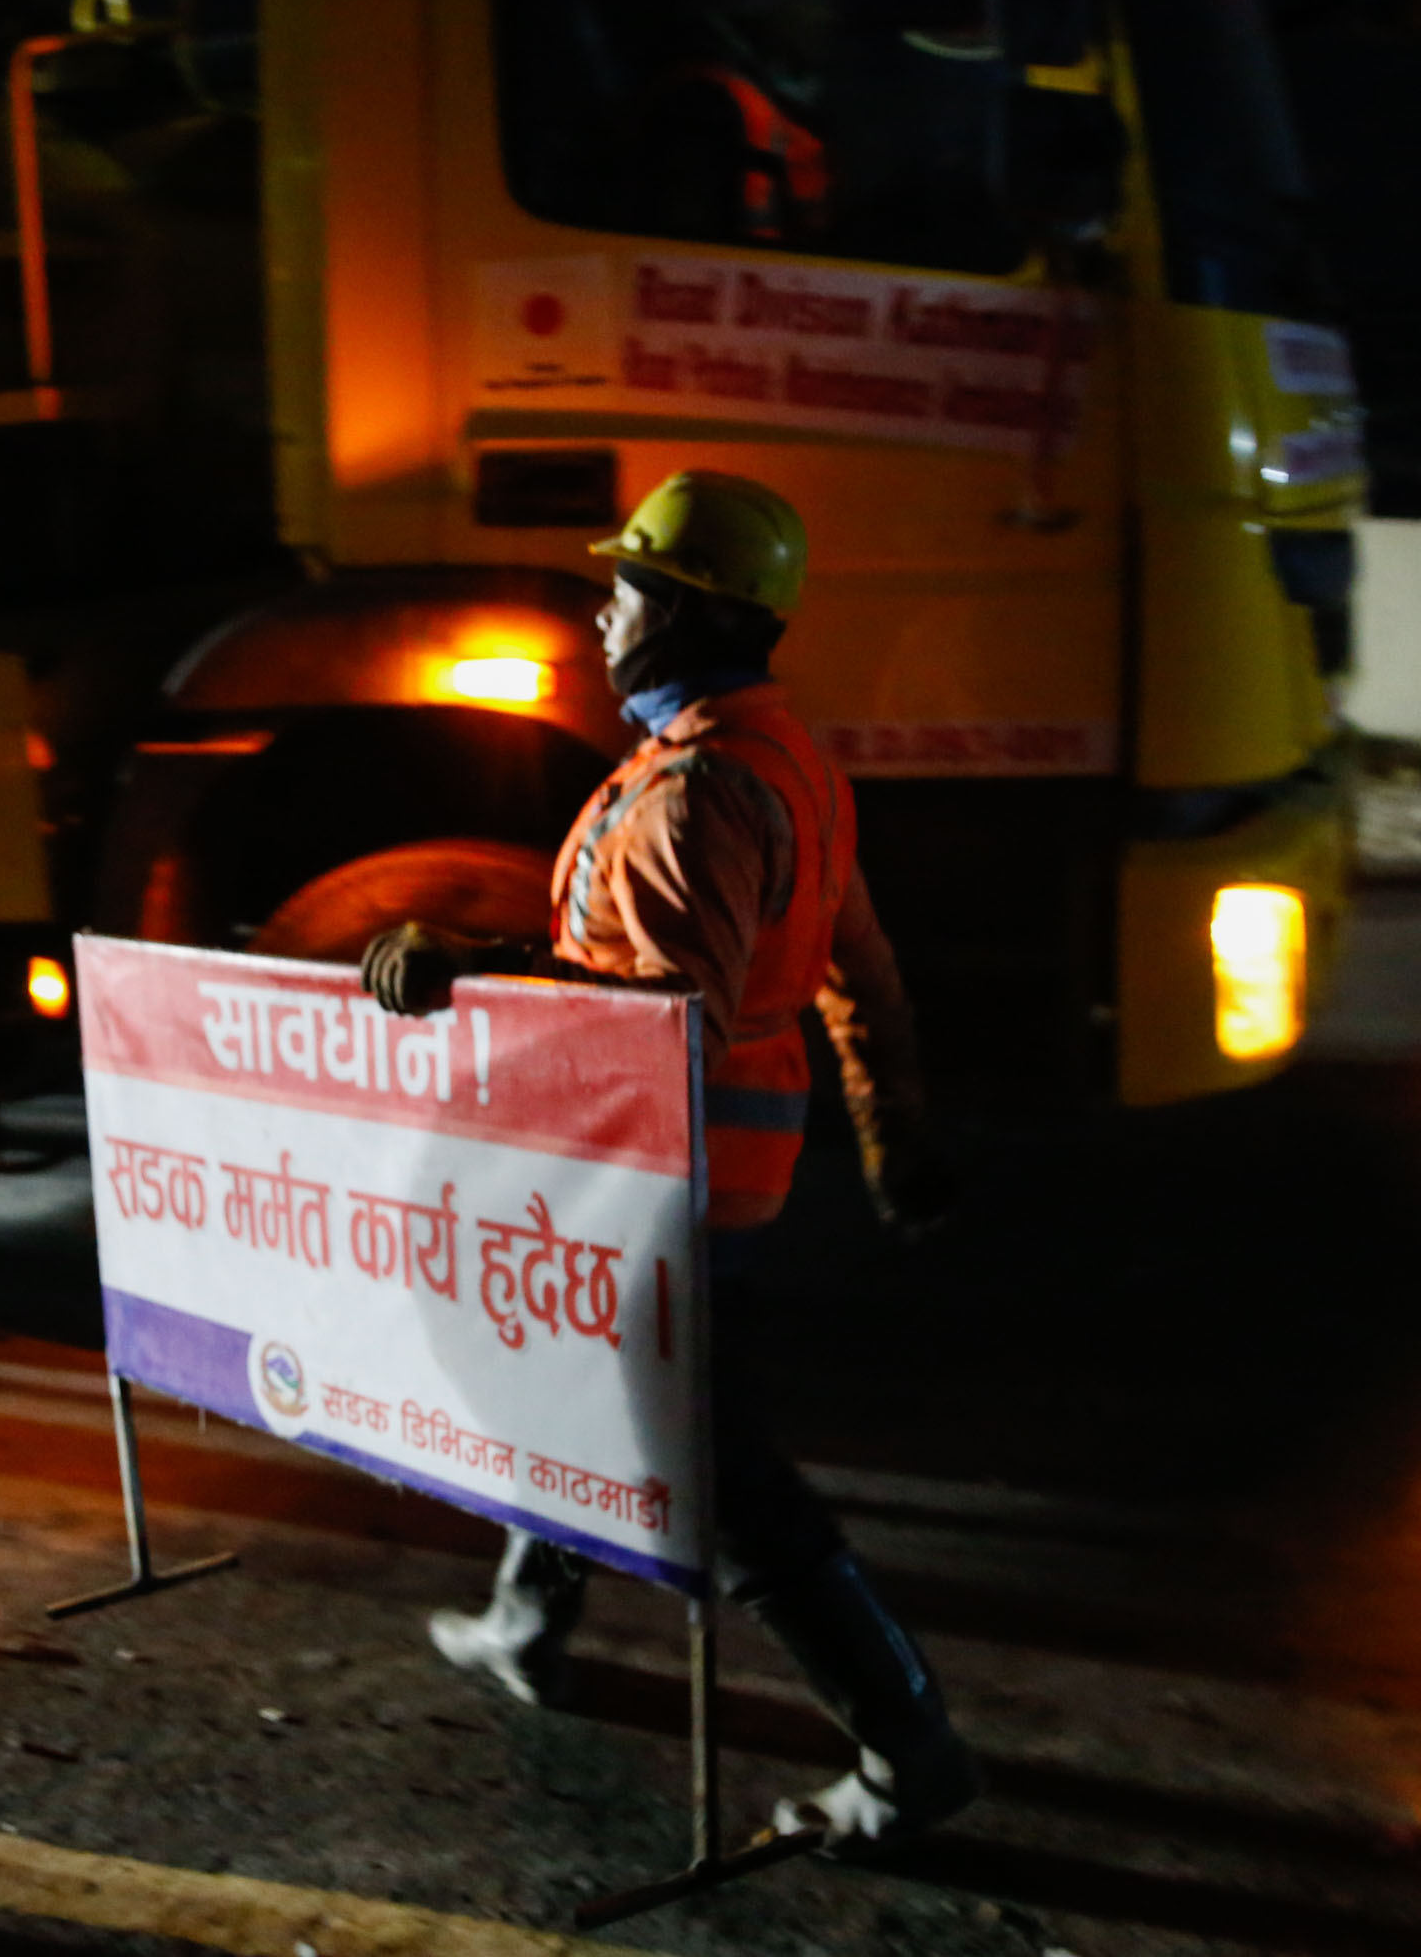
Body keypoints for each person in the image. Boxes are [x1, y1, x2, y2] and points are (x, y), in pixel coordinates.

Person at [358, 469, 974, 1851]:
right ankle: (528, 1619)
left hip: (660, 1176)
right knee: (565, 1376)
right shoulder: (776, 759)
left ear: (685, 611)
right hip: (694, 1170)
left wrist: (478, 969)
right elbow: (856, 966)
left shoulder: (698, 795)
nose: (597, 613)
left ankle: (908, 1750)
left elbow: (668, 1021)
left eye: (621, 587)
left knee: (717, 1475)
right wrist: (896, 1131)